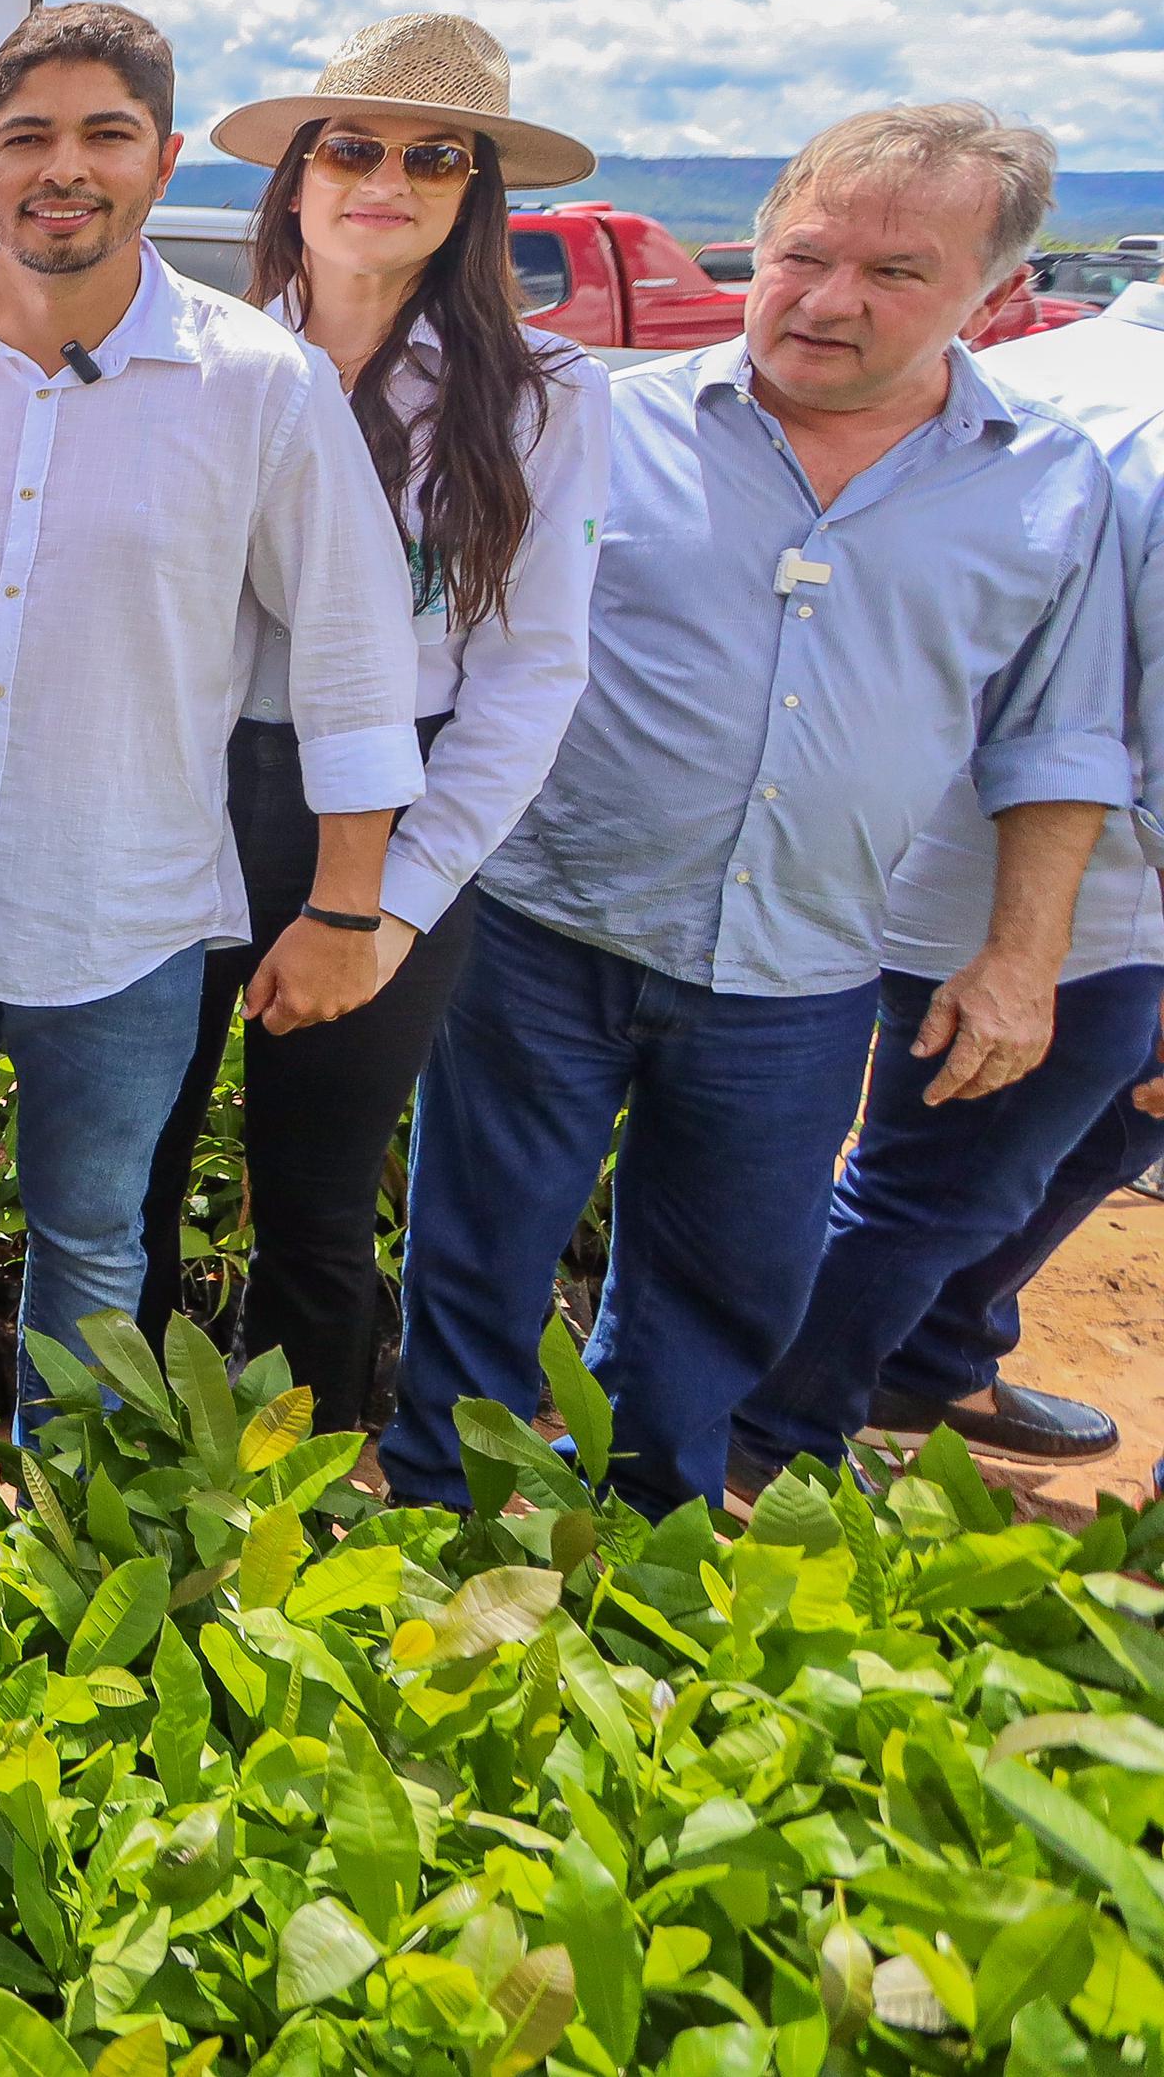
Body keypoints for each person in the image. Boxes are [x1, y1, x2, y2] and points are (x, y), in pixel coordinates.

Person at [388, 103, 1129, 1521]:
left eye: (898, 273)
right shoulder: (603, 421)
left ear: (999, 292)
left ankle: (651, 1528)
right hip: (544, 926)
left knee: (730, 1280)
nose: (830, 299)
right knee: (478, 1251)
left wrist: (1022, 959)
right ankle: (437, 1516)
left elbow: (1056, 737)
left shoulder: (1047, 485)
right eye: (804, 254)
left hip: (802, 968)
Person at [0, 2, 420, 1432]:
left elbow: (350, 654)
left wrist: (348, 904)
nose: (63, 168)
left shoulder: (259, 387)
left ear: (157, 161)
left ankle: (63, 1523)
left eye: (104, 134)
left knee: (96, 1236)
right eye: (28, 137)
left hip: (124, 914)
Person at [134, 17, 613, 1435]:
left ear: (477, 194)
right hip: (181, 792)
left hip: (386, 816)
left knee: (318, 1203)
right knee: (130, 1174)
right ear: (294, 178)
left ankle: (295, 1512)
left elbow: (534, 675)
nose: (383, 176)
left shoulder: (540, 399)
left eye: (433, 154)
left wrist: (391, 905)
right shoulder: (205, 365)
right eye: (348, 145)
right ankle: (122, 1478)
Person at [729, 260, 1164, 1489]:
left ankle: (933, 1351)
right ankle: (762, 1428)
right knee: (937, 1178)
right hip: (1074, 893)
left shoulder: (1015, 375)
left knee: (1023, 1140)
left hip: (901, 851)